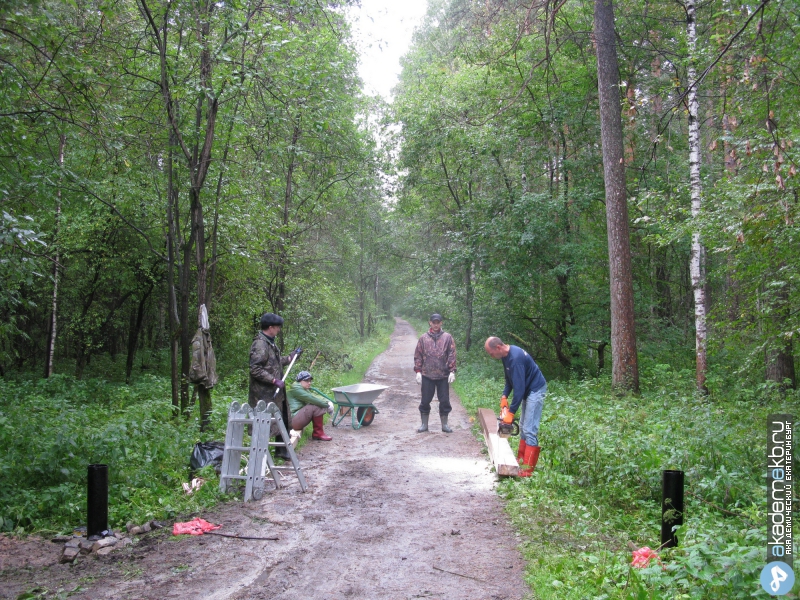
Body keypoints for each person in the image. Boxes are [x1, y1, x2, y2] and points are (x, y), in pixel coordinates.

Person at [483, 336, 546, 477]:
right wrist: (504, 396)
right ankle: (521, 461)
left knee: (529, 429)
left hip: (535, 390)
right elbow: (509, 380)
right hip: (527, 390)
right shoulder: (506, 356)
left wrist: (511, 412)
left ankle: (528, 470)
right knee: (523, 426)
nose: (491, 356)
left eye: (491, 353)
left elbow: (519, 390)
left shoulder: (516, 359)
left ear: (498, 348)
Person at [249, 312, 301, 459]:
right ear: (270, 327)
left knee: (283, 419)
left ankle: (282, 451)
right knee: (264, 424)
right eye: (277, 327)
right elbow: (255, 369)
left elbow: (275, 363)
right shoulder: (260, 344)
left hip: (277, 393)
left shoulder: (270, 343)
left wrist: (291, 357)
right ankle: (259, 456)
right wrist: (273, 380)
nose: (279, 330)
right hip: (264, 394)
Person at [413, 313, 457, 433]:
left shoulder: (447, 337)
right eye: (434, 322)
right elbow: (418, 355)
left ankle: (445, 425)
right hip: (427, 374)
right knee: (425, 400)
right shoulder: (423, 338)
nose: (436, 324)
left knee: (444, 401)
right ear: (430, 323)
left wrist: (452, 371)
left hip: (443, 375)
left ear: (441, 323)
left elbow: (451, 354)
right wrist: (418, 371)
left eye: (438, 322)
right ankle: (424, 424)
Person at [287, 371, 335, 441]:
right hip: (292, 421)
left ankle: (318, 433)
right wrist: (327, 405)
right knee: (315, 406)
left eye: (310, 381)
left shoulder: (302, 388)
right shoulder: (296, 389)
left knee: (316, 404)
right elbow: (312, 399)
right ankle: (318, 433)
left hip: (295, 419)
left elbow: (314, 396)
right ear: (300, 381)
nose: (309, 383)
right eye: (306, 381)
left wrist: (328, 401)